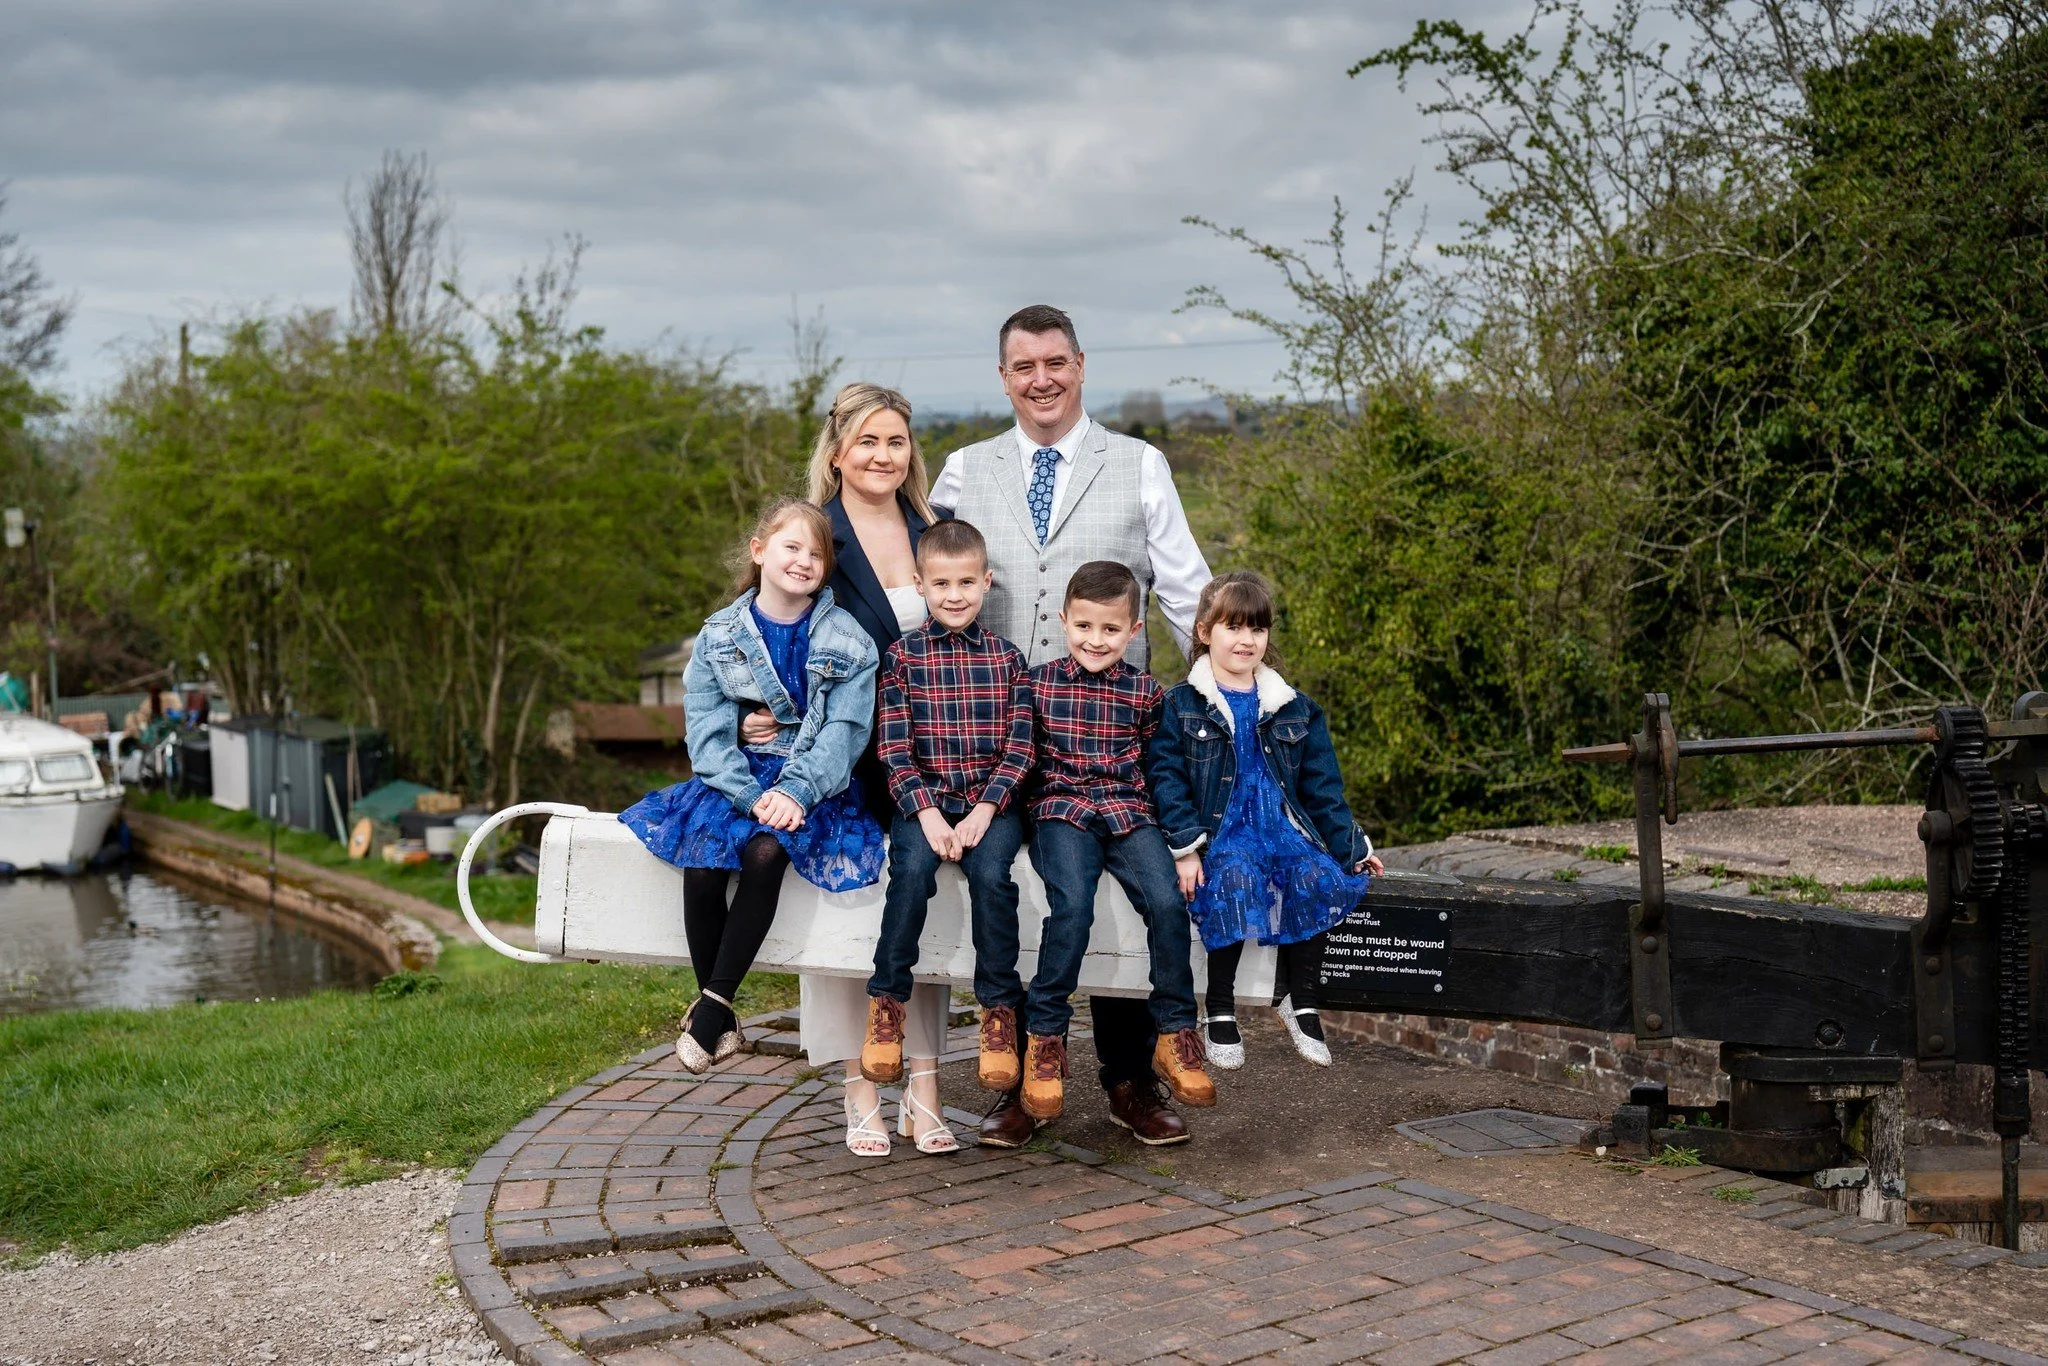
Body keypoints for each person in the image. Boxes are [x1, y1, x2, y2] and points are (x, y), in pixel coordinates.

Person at [931, 304, 1212, 1148]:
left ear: (1081, 365)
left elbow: (1191, 596)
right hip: (1000, 752)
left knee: (1133, 894)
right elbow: (925, 590)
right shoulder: (962, 469)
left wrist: (1233, 704)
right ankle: (1017, 1080)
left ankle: (1129, 1080)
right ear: (1004, 376)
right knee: (1013, 893)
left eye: (1055, 362)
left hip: (1114, 747)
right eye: (1024, 366)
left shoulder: (1140, 464)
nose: (1041, 379)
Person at [742, 383, 955, 1157]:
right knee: (847, 912)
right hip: (837, 760)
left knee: (921, 909)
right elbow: (757, 630)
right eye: (867, 441)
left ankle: (926, 1085)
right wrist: (748, 713)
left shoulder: (933, 529)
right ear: (837, 453)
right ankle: (859, 1088)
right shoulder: (816, 536)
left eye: (896, 441)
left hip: (929, 759)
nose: (882, 456)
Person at [618, 498, 883, 1082]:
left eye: (816, 553)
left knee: (765, 853)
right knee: (705, 858)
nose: (804, 561)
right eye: (791, 547)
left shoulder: (849, 640)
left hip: (814, 784)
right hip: (734, 779)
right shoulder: (719, 636)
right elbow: (706, 734)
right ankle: (719, 1006)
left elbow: (845, 733)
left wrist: (795, 791)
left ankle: (710, 1012)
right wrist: (748, 792)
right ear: (759, 551)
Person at [1144, 572, 1384, 1069]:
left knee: (1317, 876)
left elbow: (1322, 790)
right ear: (1205, 631)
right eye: (1232, 627)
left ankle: (1299, 998)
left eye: (1256, 629)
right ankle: (1220, 1006)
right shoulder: (1181, 705)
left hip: (1282, 827)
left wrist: (1353, 847)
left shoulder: (1296, 709)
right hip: (1223, 830)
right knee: (1234, 878)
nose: (1246, 640)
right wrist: (1186, 846)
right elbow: (1166, 780)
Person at [1017, 560, 1214, 1124]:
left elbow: (1163, 774)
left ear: (1133, 631)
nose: (1095, 640)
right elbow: (1021, 763)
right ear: (1063, 621)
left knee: (1168, 903)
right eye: (1084, 627)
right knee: (1072, 908)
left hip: (1131, 814)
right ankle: (1046, 1039)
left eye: (1110, 629)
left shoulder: (1147, 694)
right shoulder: (1037, 684)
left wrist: (1183, 845)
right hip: (1063, 812)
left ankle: (1175, 1032)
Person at [861, 518, 1034, 1123]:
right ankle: (887, 1006)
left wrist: (986, 809)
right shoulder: (902, 659)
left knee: (994, 879)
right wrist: (928, 814)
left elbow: (1020, 749)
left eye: (966, 582)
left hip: (993, 805)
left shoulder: (1009, 661)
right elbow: (894, 749)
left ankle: (997, 1013)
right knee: (908, 869)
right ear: (919, 585)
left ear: (985, 582)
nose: (954, 595)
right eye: (941, 584)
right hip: (925, 803)